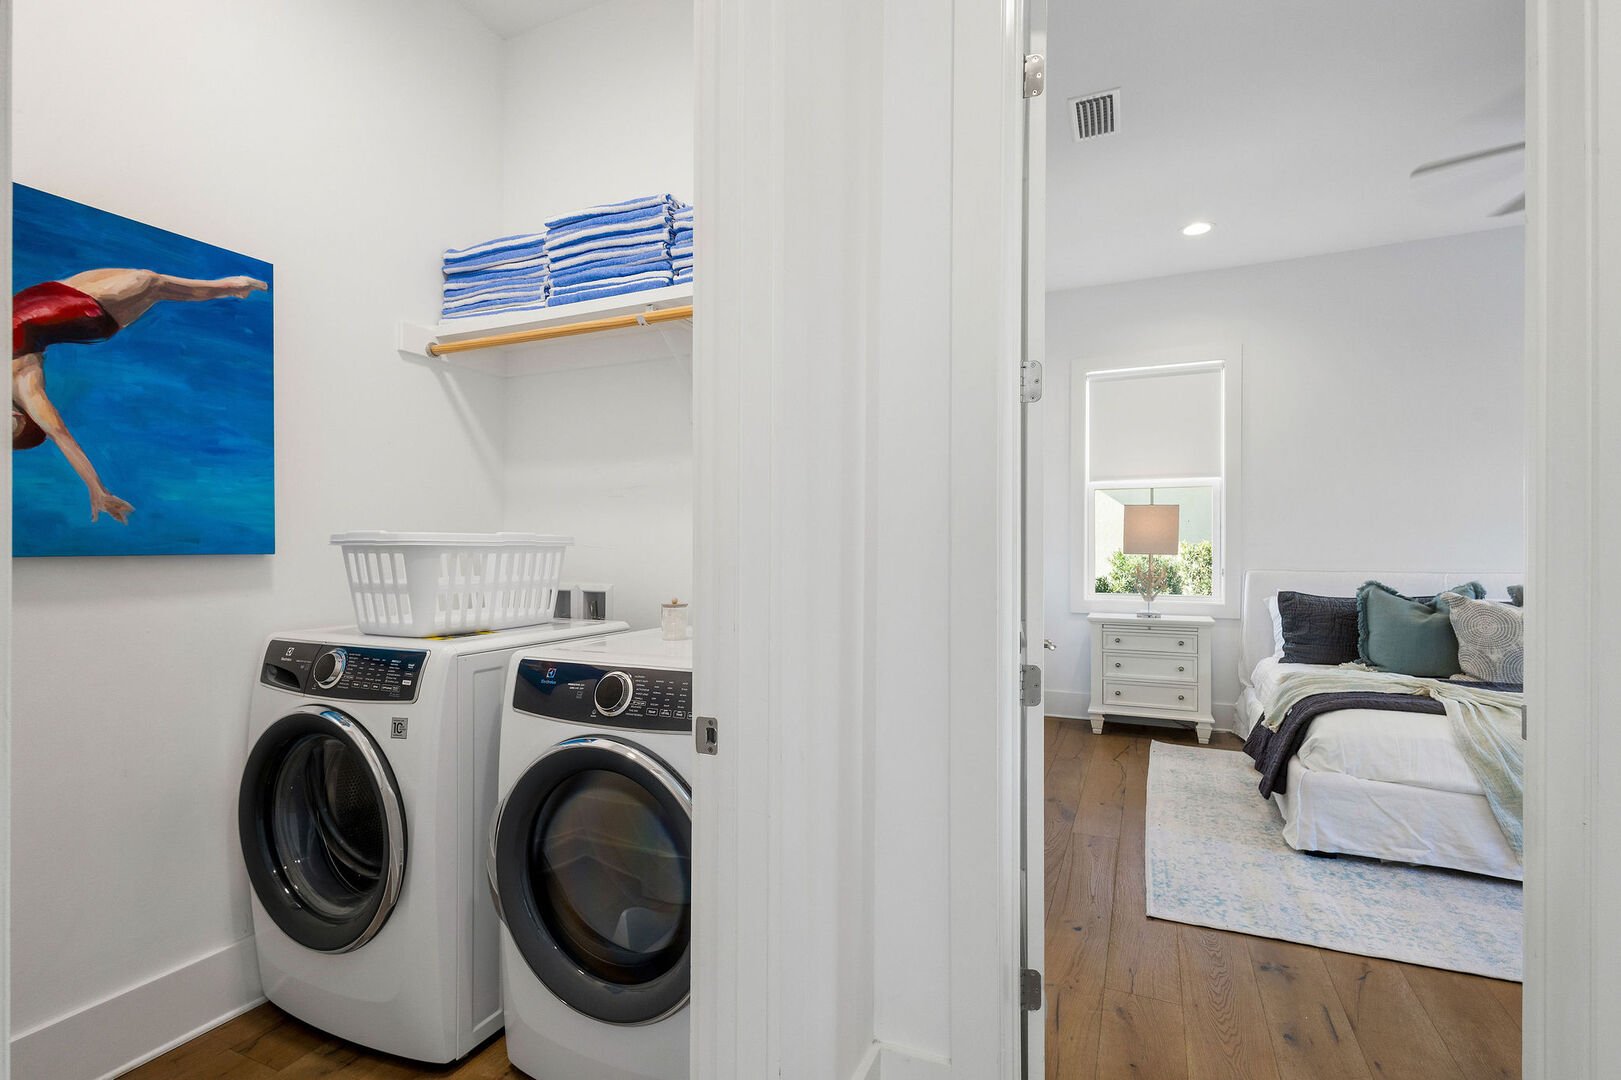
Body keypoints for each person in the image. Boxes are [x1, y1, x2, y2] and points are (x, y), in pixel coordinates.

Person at [12, 268, 268, 523]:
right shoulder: (23, 384)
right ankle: (230, 287)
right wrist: (97, 489)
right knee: (149, 283)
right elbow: (60, 435)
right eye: (13, 428)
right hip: (84, 311)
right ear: (24, 419)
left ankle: (229, 288)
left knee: (153, 284)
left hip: (55, 291)